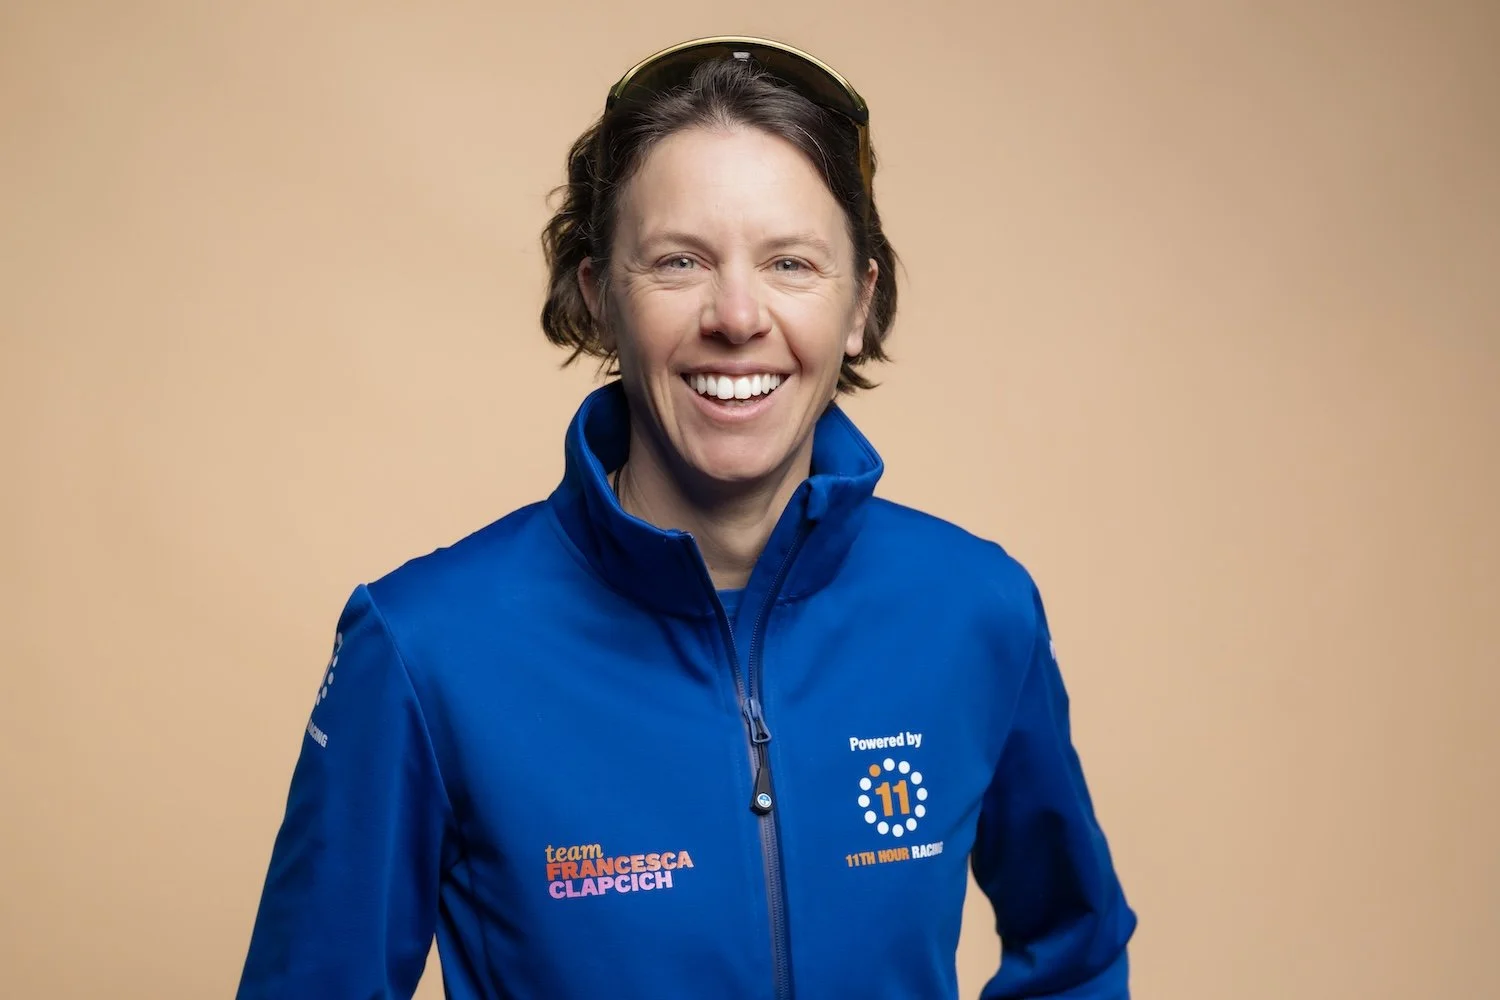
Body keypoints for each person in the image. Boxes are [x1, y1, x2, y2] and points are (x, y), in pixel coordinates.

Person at [236, 35, 1136, 999]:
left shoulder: (977, 611)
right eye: (679, 262)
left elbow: (1077, 953)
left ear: (859, 304)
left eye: (791, 262)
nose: (737, 316)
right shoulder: (423, 649)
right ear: (598, 298)